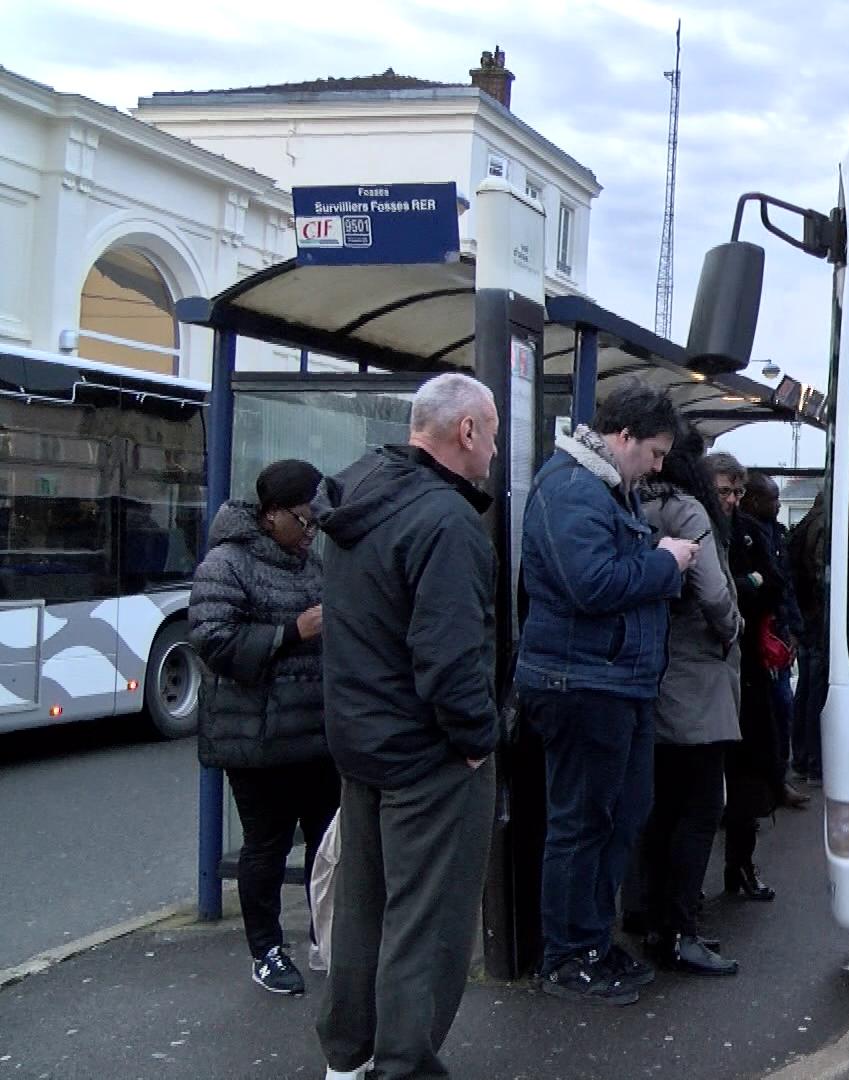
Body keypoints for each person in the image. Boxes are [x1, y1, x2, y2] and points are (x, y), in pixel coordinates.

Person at [314, 373, 503, 1080]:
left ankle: (347, 1056)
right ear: (466, 432)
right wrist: (479, 741)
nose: (493, 449)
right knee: (428, 925)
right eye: (492, 432)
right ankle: (404, 1065)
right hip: (431, 759)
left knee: (363, 912)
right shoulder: (448, 523)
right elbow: (452, 659)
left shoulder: (359, 493)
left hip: (361, 743)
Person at [516, 379, 698, 1006]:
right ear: (622, 438)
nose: (657, 466)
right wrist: (667, 560)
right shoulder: (570, 488)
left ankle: (592, 940)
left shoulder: (600, 489)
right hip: (582, 683)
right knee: (583, 821)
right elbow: (591, 584)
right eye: (652, 452)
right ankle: (567, 955)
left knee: (621, 814)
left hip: (615, 682)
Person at [189, 458, 336, 997]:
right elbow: (212, 640)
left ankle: (329, 935)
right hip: (256, 736)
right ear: (271, 514)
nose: (311, 530)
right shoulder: (226, 563)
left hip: (315, 732)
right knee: (267, 847)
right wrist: (293, 631)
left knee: (327, 844)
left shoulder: (311, 561)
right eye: (304, 519)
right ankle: (267, 951)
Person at [625, 435, 744, 976]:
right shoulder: (687, 510)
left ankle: (647, 916)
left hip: (647, 673)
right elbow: (715, 592)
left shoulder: (631, 502)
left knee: (656, 808)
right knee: (699, 810)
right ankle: (680, 932)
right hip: (695, 678)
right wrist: (732, 629)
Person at [724, 471, 797, 901]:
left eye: (735, 491)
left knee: (751, 767)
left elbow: (773, 585)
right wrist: (746, 585)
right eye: (725, 491)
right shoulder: (706, 529)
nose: (731, 500)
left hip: (748, 669)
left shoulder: (750, 533)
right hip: (712, 673)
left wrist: (746, 585)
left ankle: (742, 862)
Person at [788, 491, 829, 785]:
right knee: (817, 689)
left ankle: (801, 757)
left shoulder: (804, 524)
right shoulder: (825, 526)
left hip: (803, 615)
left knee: (804, 687)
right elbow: (819, 573)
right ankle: (815, 760)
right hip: (817, 617)